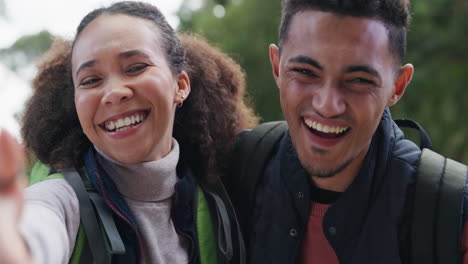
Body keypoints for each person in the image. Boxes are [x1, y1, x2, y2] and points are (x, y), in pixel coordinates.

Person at [0, 1, 258, 263]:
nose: (113, 93)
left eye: (135, 67)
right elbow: (33, 230)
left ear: (180, 85)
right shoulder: (61, 201)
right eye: (91, 80)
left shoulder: (223, 200)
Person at [225, 0, 468, 263]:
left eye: (359, 80)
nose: (327, 105)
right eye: (305, 72)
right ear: (277, 67)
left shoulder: (455, 213)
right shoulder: (232, 173)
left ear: (397, 86)